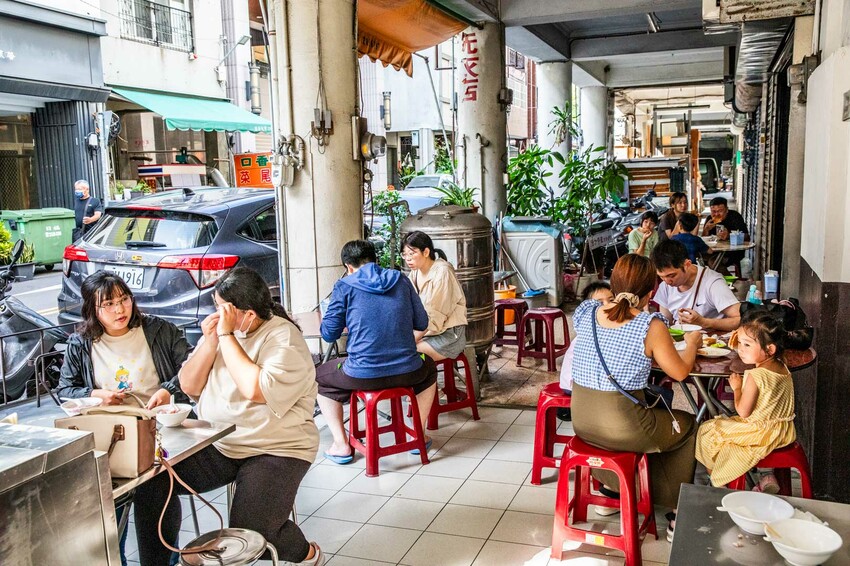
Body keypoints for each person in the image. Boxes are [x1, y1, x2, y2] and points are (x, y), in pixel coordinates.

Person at [134, 267, 322, 566]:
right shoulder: (222, 334)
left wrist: (226, 335)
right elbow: (189, 385)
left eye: (223, 309)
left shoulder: (282, 337)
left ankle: (306, 553)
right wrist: (211, 343)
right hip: (222, 443)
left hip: (276, 448)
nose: (217, 315)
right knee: (152, 483)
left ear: (246, 313)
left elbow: (254, 389)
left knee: (253, 532)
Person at [569, 254, 701, 541]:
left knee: (657, 423)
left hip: (582, 421)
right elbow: (679, 372)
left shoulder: (587, 311)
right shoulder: (649, 325)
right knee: (688, 425)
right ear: (651, 292)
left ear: (612, 283)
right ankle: (677, 510)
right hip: (625, 427)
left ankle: (615, 487)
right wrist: (691, 343)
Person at [315, 240, 438, 463]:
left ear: (348, 267)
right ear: (375, 259)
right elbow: (422, 322)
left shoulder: (345, 286)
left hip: (363, 375)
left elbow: (329, 335)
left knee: (320, 377)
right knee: (428, 367)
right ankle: (418, 434)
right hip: (408, 370)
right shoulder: (401, 279)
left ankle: (341, 446)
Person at [56, 271, 191, 409]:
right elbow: (64, 392)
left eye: (124, 299)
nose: (120, 309)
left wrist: (169, 390)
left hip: (162, 419)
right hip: (108, 423)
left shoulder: (159, 330)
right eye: (109, 303)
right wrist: (93, 395)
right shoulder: (80, 344)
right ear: (92, 309)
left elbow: (192, 365)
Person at [695, 310, 796, 493]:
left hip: (759, 432)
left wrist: (736, 388)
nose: (740, 349)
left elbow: (743, 412)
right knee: (720, 430)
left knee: (707, 431)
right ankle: (766, 475)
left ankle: (719, 484)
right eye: (739, 343)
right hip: (783, 430)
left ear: (770, 349)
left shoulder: (755, 376)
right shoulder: (783, 367)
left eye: (747, 345)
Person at [402, 230, 467, 361]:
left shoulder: (443, 272)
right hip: (427, 333)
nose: (408, 258)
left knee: (406, 355)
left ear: (426, 252)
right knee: (396, 350)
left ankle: (429, 380)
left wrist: (408, 341)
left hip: (448, 336)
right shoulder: (415, 273)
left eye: (412, 253)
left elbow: (434, 317)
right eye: (404, 254)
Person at [651, 240, 741, 332]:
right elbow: (666, 321)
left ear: (687, 264)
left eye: (672, 276)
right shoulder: (665, 286)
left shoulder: (712, 283)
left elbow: (740, 319)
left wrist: (704, 322)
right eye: (661, 277)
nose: (667, 282)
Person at [557, 281, 613, 422]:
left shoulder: (600, 329)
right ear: (587, 309)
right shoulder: (591, 333)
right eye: (599, 303)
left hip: (580, 385)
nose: (607, 305)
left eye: (611, 300)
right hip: (576, 387)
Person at [702, 196, 749, 272]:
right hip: (714, 251)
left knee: (713, 262)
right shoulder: (710, 219)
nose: (717, 214)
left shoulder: (735, 217)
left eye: (720, 211)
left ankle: (729, 282)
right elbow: (703, 239)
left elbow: (746, 237)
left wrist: (729, 235)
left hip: (733, 252)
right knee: (699, 258)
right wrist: (706, 230)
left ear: (727, 210)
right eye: (713, 211)